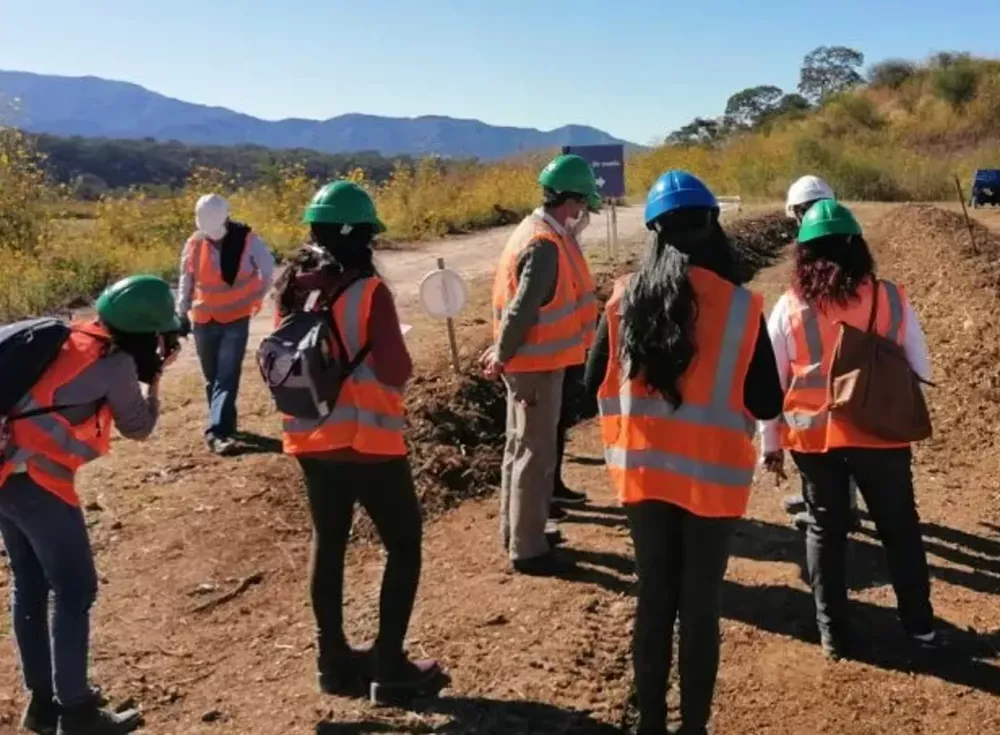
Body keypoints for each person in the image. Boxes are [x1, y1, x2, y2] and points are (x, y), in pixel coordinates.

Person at [587, 171, 782, 735]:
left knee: (655, 597)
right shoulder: (743, 309)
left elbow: (587, 386)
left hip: (642, 477)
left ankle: (650, 723)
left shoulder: (624, 299)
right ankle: (692, 726)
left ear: (652, 233)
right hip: (712, 481)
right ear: (712, 225)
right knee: (699, 605)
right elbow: (767, 401)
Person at [274, 181, 447, 704]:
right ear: (360, 236)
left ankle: (332, 662)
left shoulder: (292, 286)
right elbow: (396, 369)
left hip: (309, 436)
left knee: (328, 543)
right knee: (404, 545)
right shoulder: (369, 292)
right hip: (366, 439)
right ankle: (389, 667)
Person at [760, 200, 945, 660]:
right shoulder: (891, 298)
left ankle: (834, 634)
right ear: (859, 247)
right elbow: (921, 366)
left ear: (802, 255)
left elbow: (770, 382)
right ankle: (920, 627)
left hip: (813, 439)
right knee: (900, 529)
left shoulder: (791, 306)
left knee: (825, 530)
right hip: (881, 435)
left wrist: (770, 443)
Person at [1, 275, 181, 735]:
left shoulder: (72, 337)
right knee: (75, 589)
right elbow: (138, 427)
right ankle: (77, 712)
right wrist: (155, 380)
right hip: (37, 481)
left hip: (6, 473)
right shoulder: (115, 362)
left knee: (31, 581)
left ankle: (43, 703)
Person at [481, 154, 600, 575]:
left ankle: (517, 531)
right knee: (534, 454)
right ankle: (528, 548)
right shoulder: (544, 244)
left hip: (534, 363)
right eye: (583, 204)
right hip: (535, 365)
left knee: (520, 449)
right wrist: (502, 352)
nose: (584, 212)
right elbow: (523, 308)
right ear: (570, 200)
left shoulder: (540, 232)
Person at [781, 176, 862, 532]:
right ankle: (822, 500)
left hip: (831, 379)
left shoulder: (825, 246)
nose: (805, 217)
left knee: (836, 445)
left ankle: (842, 509)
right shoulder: (845, 238)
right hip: (833, 384)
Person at [176, 193, 275, 455]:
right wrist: (181, 311)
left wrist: (255, 297)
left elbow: (268, 270)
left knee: (226, 377)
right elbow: (186, 279)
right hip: (203, 318)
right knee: (213, 379)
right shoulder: (195, 242)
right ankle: (225, 426)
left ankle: (217, 432)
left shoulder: (247, 239)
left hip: (236, 318)